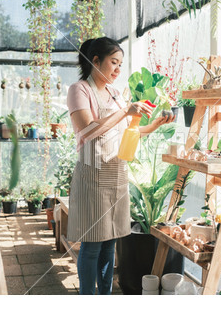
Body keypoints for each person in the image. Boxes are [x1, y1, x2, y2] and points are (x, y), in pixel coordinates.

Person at [66, 37, 175, 295]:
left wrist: (156, 124)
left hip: (116, 174)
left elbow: (130, 131)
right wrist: (126, 110)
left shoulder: (115, 94)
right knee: (92, 244)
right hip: (92, 175)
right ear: (95, 61)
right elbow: (89, 129)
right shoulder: (79, 89)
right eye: (113, 62)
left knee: (110, 242)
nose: (117, 69)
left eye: (120, 64)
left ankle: (105, 296)